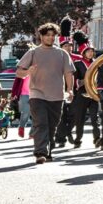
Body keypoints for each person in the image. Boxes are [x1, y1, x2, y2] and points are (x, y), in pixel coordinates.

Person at [15, 23, 74, 163]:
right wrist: (27, 72)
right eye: (47, 35)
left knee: (52, 125)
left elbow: (68, 73)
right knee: (41, 123)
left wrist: (70, 89)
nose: (51, 37)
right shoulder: (33, 53)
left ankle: (48, 151)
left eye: (53, 35)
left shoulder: (62, 53)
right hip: (37, 94)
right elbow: (19, 72)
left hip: (57, 95)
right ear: (41, 36)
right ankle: (40, 152)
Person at [69, 32, 100, 148]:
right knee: (80, 119)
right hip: (81, 94)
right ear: (84, 52)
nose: (91, 53)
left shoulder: (97, 63)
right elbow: (73, 79)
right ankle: (78, 139)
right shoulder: (77, 63)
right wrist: (80, 82)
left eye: (92, 51)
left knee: (94, 118)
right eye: (88, 51)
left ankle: (97, 138)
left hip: (93, 94)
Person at [53, 17, 78, 147]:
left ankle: (66, 133)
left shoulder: (78, 58)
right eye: (66, 45)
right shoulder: (55, 57)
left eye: (70, 45)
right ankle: (61, 138)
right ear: (61, 46)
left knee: (75, 115)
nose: (69, 47)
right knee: (61, 115)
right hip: (59, 89)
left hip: (75, 90)